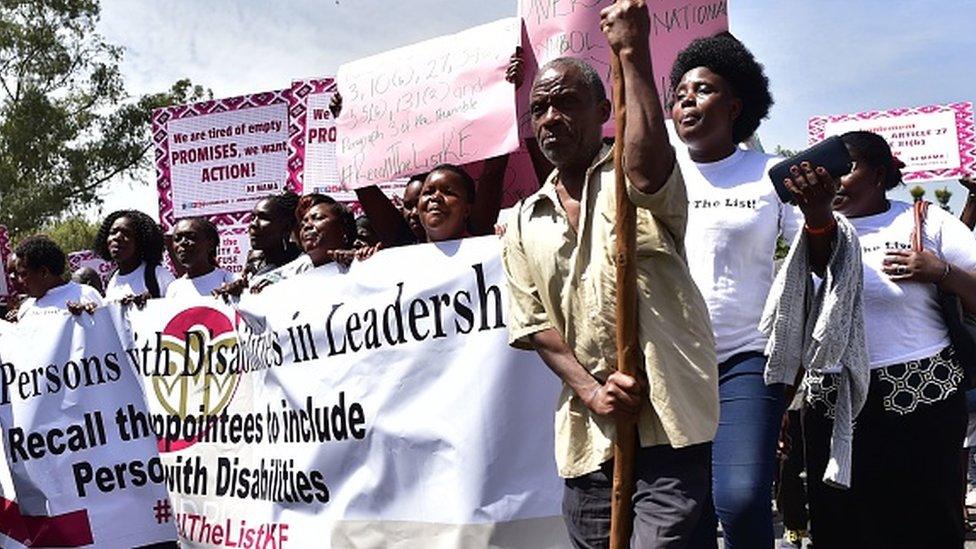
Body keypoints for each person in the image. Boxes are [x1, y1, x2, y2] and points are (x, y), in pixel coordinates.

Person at [502, 2, 719, 547]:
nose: (552, 119)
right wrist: (593, 392)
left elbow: (646, 166)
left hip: (668, 414)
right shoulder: (524, 220)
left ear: (603, 108)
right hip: (589, 434)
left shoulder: (633, 169)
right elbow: (533, 328)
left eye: (567, 104)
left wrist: (632, 52)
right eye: (540, 110)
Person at [787, 131, 976, 548]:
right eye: (827, 170)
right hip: (832, 406)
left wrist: (941, 271)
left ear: (876, 174)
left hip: (920, 400)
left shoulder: (925, 220)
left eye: (846, 168)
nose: (833, 180)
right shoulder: (809, 229)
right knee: (841, 525)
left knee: (924, 522)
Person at [668, 33, 803, 547]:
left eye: (702, 90)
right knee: (688, 507)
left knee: (742, 497)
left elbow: (816, 256)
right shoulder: (657, 173)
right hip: (673, 362)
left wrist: (817, 218)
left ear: (736, 105)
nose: (686, 100)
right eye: (680, 92)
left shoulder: (771, 175)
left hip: (748, 357)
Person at [10, 236, 103, 320]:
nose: (20, 281)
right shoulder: (26, 307)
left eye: (24, 274)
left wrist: (89, 316)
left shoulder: (85, 295)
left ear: (43, 272)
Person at [94, 209, 174, 301]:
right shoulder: (111, 279)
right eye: (113, 232)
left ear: (141, 241)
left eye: (126, 233)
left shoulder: (158, 275)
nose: (117, 237)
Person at [165, 217, 234, 298]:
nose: (183, 242)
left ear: (211, 244)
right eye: (177, 239)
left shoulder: (229, 280)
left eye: (191, 237)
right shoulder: (173, 288)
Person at [247, 191, 302, 276]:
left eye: (264, 218)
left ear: (286, 227)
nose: (253, 224)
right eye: (253, 217)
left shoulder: (300, 265)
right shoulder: (254, 265)